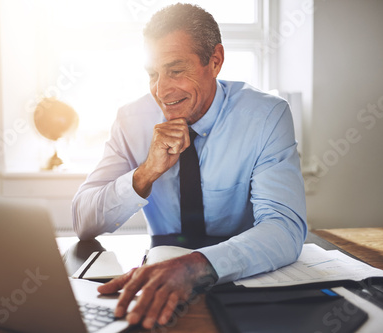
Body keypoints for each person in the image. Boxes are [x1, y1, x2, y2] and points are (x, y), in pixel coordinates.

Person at [72, 3, 307, 329]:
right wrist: (146, 173)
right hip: (158, 282)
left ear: (215, 61)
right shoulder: (131, 120)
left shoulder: (267, 117)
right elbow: (83, 221)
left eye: (176, 70)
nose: (161, 90)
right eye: (153, 74)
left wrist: (196, 265)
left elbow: (284, 228)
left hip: (243, 278)